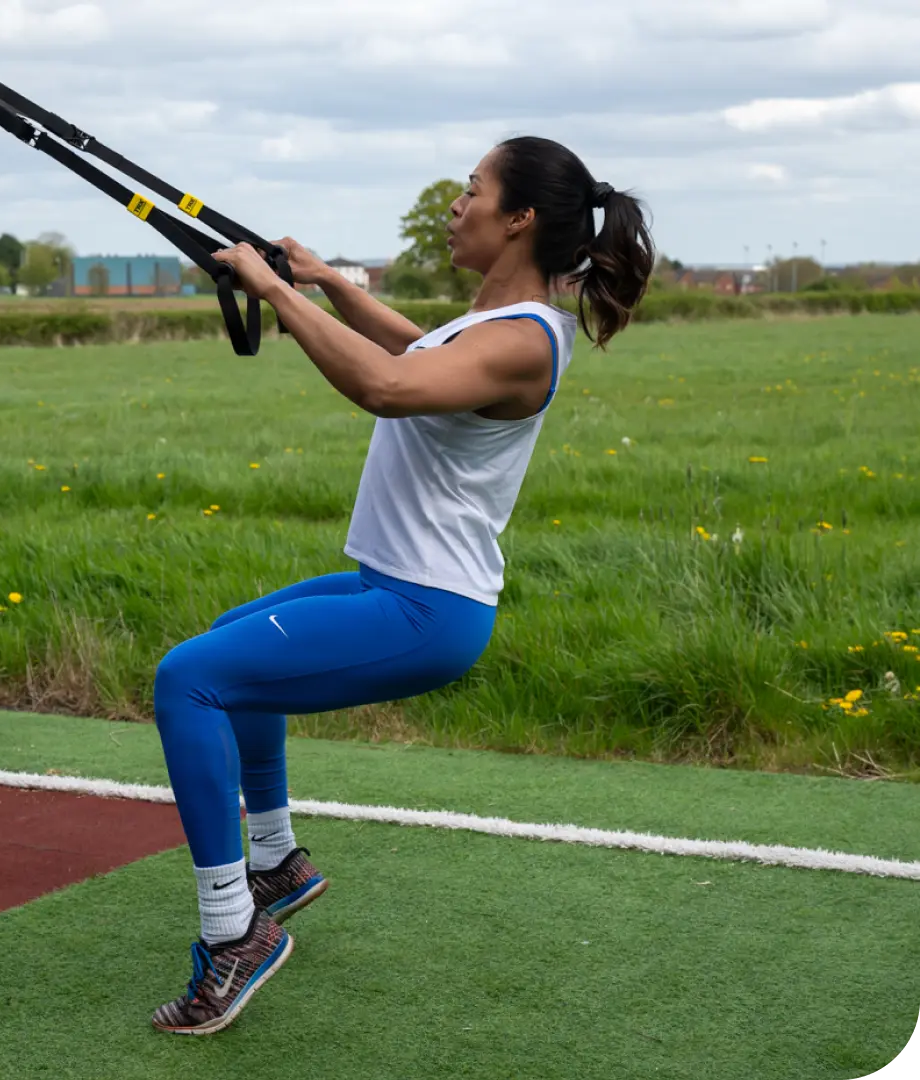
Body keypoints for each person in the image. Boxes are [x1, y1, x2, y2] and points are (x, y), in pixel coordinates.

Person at [148, 135, 655, 1035]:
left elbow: (387, 384)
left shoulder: (524, 341)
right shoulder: (495, 325)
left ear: (520, 219)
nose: (456, 207)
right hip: (396, 586)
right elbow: (421, 349)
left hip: (425, 611)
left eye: (472, 192)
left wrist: (269, 290)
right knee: (231, 648)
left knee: (188, 678)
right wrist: (326, 281)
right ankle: (276, 864)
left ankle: (234, 932)